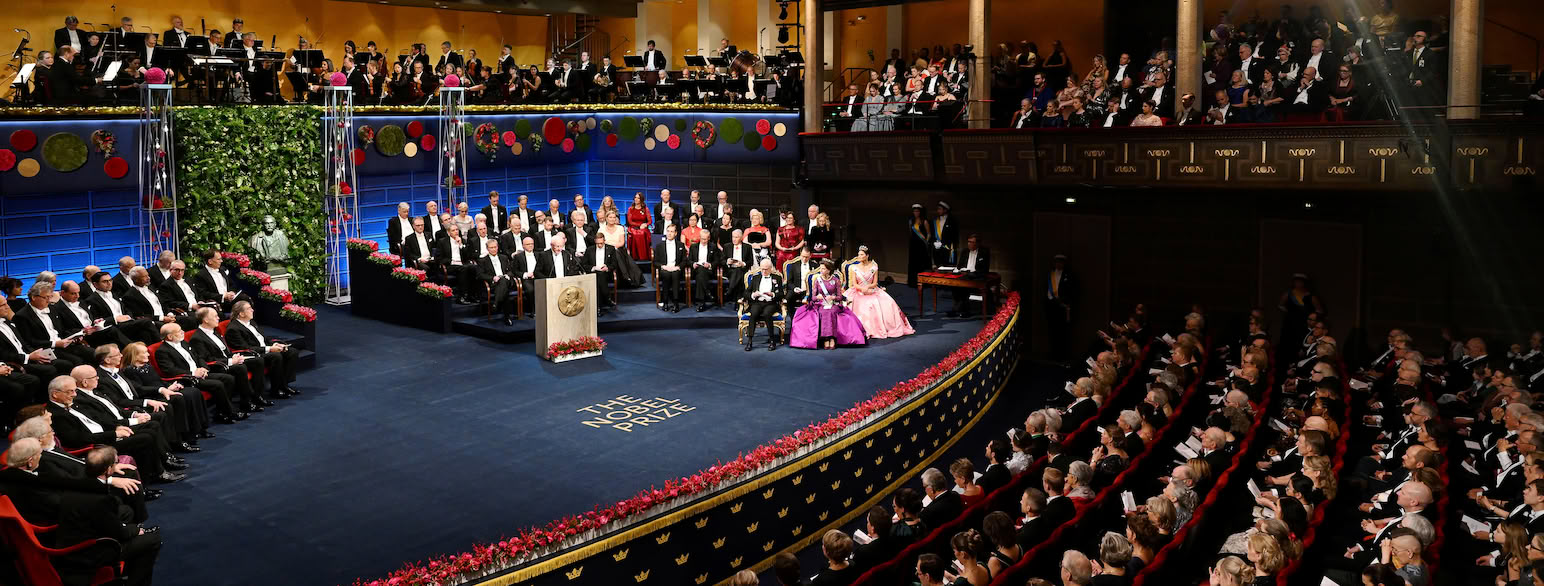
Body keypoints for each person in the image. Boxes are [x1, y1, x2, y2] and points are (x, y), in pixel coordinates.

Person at [790, 260, 866, 350]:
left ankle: (832, 338)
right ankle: (827, 338)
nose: (821, 270)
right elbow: (813, 298)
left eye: (823, 269)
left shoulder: (836, 280)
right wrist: (818, 297)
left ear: (828, 270)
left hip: (833, 304)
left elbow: (840, 297)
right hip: (820, 304)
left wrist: (833, 298)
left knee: (831, 311)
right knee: (824, 311)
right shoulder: (817, 281)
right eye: (821, 268)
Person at [844, 246, 914, 339]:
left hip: (872, 290)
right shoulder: (854, 268)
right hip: (858, 291)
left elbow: (875, 283)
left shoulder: (874, 267)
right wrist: (862, 289)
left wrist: (868, 287)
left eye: (861, 254)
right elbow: (855, 284)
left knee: (889, 303)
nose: (859, 256)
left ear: (867, 255)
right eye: (858, 254)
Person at [743, 259, 784, 351]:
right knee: (753, 314)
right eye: (762, 269)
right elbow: (746, 293)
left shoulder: (777, 278)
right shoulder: (756, 278)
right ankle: (750, 340)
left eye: (766, 269)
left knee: (767, 314)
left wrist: (772, 294)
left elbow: (781, 294)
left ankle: (772, 340)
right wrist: (753, 295)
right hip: (757, 302)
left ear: (770, 268)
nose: (763, 271)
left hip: (770, 303)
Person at [947, 235, 991, 318]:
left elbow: (985, 269)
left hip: (977, 275)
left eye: (972, 242)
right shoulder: (965, 251)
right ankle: (958, 308)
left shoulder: (984, 252)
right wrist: (960, 270)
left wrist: (971, 272)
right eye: (968, 242)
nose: (969, 244)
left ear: (978, 243)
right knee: (954, 284)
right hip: (965, 274)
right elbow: (959, 265)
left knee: (964, 284)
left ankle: (964, 310)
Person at [1046, 254, 1076, 360]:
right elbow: (1047, 292)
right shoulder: (1050, 275)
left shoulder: (1069, 275)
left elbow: (1072, 291)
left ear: (1063, 263)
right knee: (1053, 331)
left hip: (1064, 308)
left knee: (1064, 333)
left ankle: (1063, 356)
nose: (1058, 264)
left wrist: (1064, 302)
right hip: (1053, 307)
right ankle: (1053, 354)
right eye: (1057, 262)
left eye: (1061, 262)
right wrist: (1053, 300)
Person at [580, 232, 621, 310]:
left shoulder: (611, 249)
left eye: (601, 243)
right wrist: (593, 267)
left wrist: (607, 267)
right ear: (595, 241)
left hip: (607, 274)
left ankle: (598, 307)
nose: (599, 245)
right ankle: (607, 299)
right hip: (593, 273)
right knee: (598, 276)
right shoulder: (589, 250)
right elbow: (584, 264)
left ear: (604, 241)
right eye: (598, 243)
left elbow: (614, 264)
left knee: (600, 276)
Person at [655, 224, 688, 312]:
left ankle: (675, 303)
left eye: (672, 231)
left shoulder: (681, 245)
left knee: (675, 275)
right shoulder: (659, 246)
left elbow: (685, 260)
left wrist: (678, 267)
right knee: (666, 275)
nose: (669, 233)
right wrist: (663, 266)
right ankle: (665, 302)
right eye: (668, 231)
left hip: (676, 269)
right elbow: (655, 262)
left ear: (676, 233)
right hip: (665, 268)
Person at [686, 230, 719, 311]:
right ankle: (707, 293)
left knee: (701, 273)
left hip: (708, 271)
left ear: (709, 238)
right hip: (696, 270)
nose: (704, 241)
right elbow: (688, 260)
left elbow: (717, 260)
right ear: (699, 237)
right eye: (702, 239)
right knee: (700, 270)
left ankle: (701, 301)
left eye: (705, 239)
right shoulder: (693, 247)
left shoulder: (713, 246)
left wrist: (710, 265)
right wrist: (693, 264)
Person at [625, 192, 653, 261]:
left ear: (641, 200)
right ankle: (635, 257)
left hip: (643, 227)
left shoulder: (645, 209)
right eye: (635, 198)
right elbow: (630, 221)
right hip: (633, 227)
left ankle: (644, 257)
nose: (636, 199)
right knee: (635, 234)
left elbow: (650, 221)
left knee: (643, 233)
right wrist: (639, 225)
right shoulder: (630, 209)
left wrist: (645, 224)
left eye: (638, 198)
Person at [931, 201, 958, 268]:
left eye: (940, 209)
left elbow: (955, 236)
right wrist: (934, 243)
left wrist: (951, 247)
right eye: (937, 209)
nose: (938, 211)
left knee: (949, 269)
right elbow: (933, 234)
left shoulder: (952, 221)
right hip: (937, 250)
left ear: (945, 210)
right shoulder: (935, 221)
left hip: (948, 250)